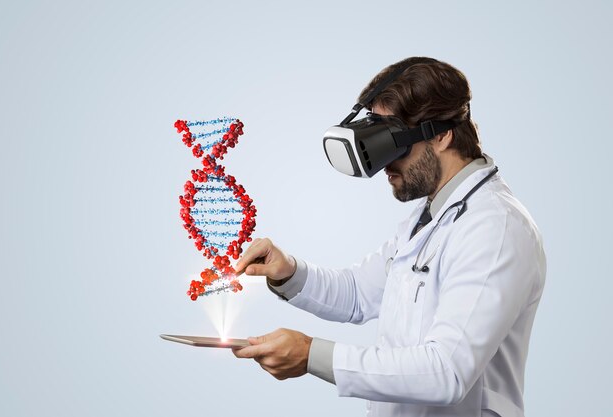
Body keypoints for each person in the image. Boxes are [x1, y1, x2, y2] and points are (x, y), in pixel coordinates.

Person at [232, 57, 546, 417]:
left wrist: (310, 355)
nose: (383, 164)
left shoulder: (495, 228)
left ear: (441, 135)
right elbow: (357, 295)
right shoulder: (429, 218)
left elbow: (447, 371)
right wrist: (287, 272)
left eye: (393, 144)